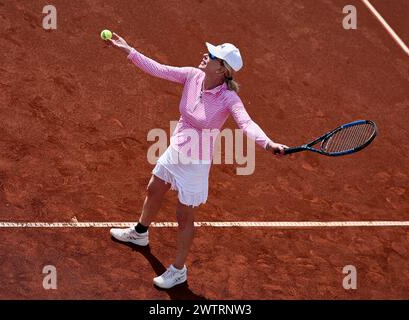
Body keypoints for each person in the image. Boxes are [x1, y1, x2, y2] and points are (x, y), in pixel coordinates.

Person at [108, 33, 288, 289]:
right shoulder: (193, 76)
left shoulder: (229, 99)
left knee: (184, 216)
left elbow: (246, 123)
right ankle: (140, 233)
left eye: (213, 56)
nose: (206, 55)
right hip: (176, 149)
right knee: (154, 188)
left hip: (195, 163)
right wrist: (129, 50)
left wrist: (268, 143)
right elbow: (159, 69)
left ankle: (178, 270)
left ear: (222, 70)